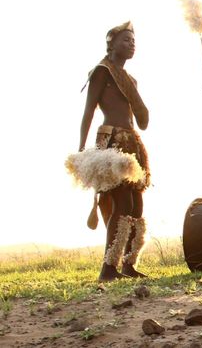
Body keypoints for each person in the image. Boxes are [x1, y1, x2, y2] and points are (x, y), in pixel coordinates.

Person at [78, 21, 151, 281]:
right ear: (111, 44)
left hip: (132, 142)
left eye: (133, 41)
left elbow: (142, 120)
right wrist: (81, 148)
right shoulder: (102, 72)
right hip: (112, 141)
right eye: (125, 40)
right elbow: (89, 111)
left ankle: (128, 264)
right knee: (122, 203)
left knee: (137, 205)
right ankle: (108, 268)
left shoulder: (130, 80)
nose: (131, 44)